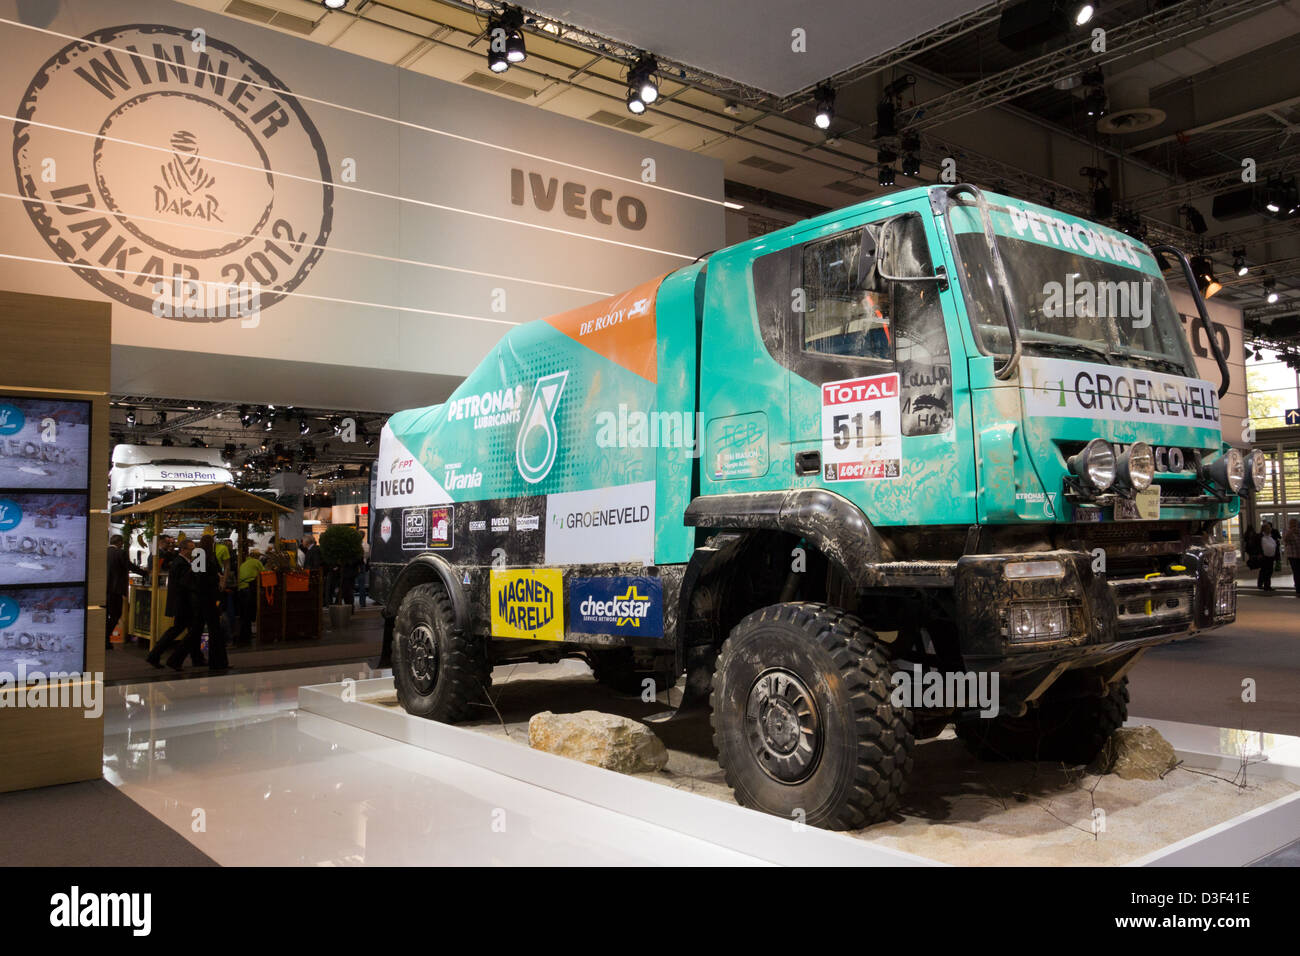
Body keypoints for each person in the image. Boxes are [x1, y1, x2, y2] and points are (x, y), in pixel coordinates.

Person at [146, 540, 203, 670]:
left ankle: (196, 658)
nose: (193, 551)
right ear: (183, 549)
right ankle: (156, 655)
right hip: (183, 603)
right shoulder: (180, 564)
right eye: (191, 549)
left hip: (183, 603)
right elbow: (185, 583)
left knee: (187, 631)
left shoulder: (182, 562)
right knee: (181, 631)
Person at [185, 534, 230, 672]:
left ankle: (177, 658)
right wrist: (218, 580)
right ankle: (218, 662)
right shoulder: (205, 557)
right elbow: (202, 579)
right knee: (214, 630)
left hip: (200, 599)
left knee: (196, 630)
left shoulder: (200, 556)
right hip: (207, 598)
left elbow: (197, 577)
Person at [106, 534, 147, 649]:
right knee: (116, 615)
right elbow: (129, 566)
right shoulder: (120, 553)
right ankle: (106, 638)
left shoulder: (105, 552)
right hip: (116, 589)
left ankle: (105, 639)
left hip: (104, 589)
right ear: (119, 542)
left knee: (107, 615)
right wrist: (144, 573)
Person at [236, 548, 266, 646]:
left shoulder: (244, 563)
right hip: (249, 589)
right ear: (257, 556)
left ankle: (246, 635)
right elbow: (264, 574)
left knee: (245, 615)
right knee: (249, 614)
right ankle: (246, 636)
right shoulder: (256, 562)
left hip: (241, 590)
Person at [1258, 522, 1277, 591]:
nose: (1270, 529)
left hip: (1270, 556)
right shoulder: (1261, 537)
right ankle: (1266, 585)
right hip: (1264, 557)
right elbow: (1259, 546)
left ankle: (1264, 584)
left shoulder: (1270, 536)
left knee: (1268, 571)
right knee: (1266, 571)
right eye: (1268, 528)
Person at [1285, 519, 1300, 597]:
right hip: (1293, 556)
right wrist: (1291, 531)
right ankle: (1298, 588)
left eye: (1296, 524)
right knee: (1296, 572)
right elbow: (1286, 540)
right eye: (1293, 524)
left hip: (1299, 554)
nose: (1295, 525)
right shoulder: (1288, 532)